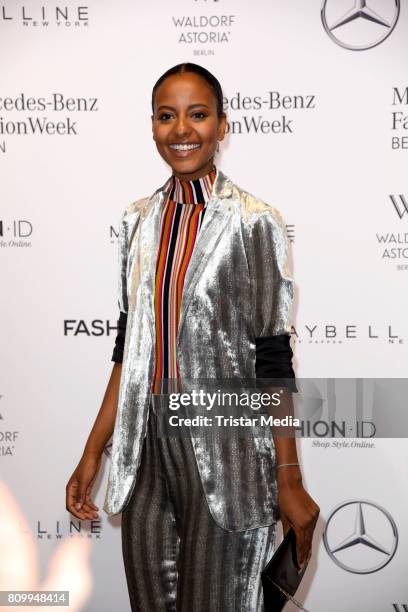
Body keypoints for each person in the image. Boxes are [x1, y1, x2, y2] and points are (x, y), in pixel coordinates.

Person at [66, 62, 320, 612]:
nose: (181, 129)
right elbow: (127, 349)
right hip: (145, 456)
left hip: (227, 458)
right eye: (166, 116)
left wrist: (290, 478)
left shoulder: (255, 222)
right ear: (152, 126)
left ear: (222, 125)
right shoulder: (136, 222)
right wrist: (94, 451)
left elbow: (273, 356)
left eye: (197, 114)